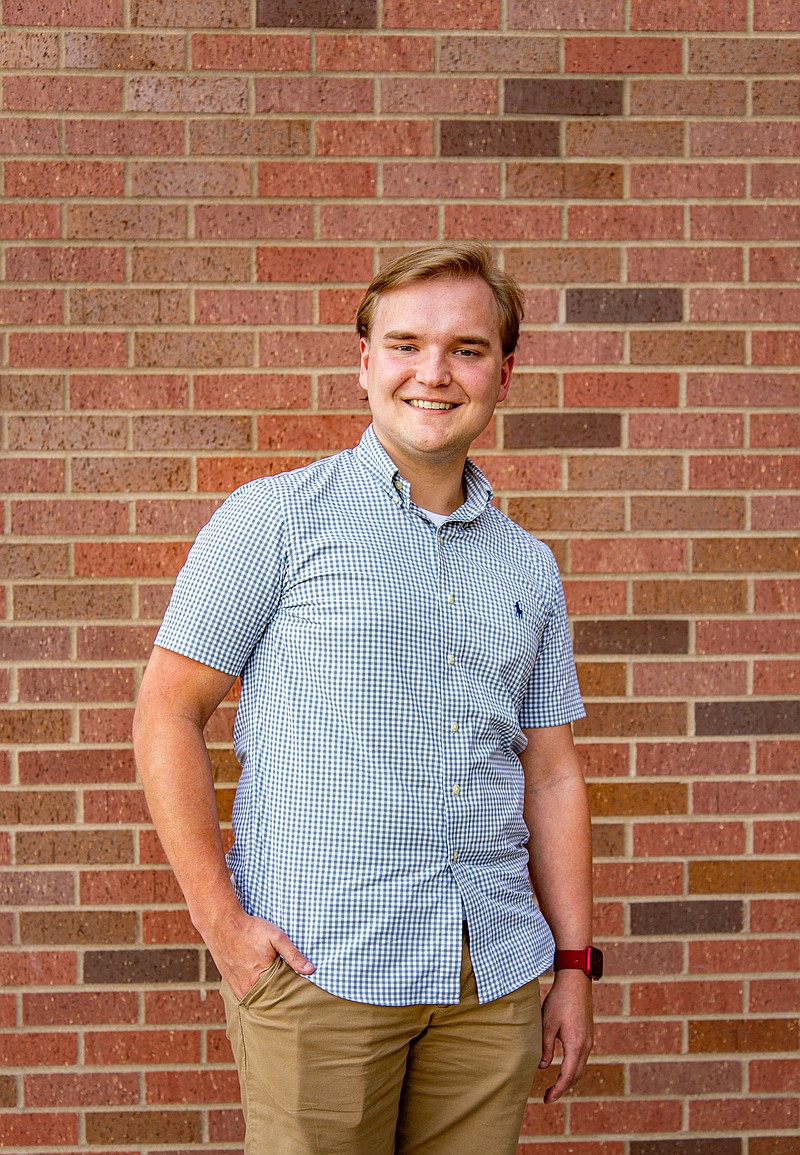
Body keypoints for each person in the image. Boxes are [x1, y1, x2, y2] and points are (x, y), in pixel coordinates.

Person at [133, 242, 598, 1155]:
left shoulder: (527, 565)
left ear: (504, 372)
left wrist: (574, 964)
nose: (434, 372)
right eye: (404, 344)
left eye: (466, 348)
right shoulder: (274, 519)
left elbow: (550, 772)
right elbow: (167, 712)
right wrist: (221, 924)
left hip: (491, 974)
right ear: (364, 362)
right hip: (322, 967)